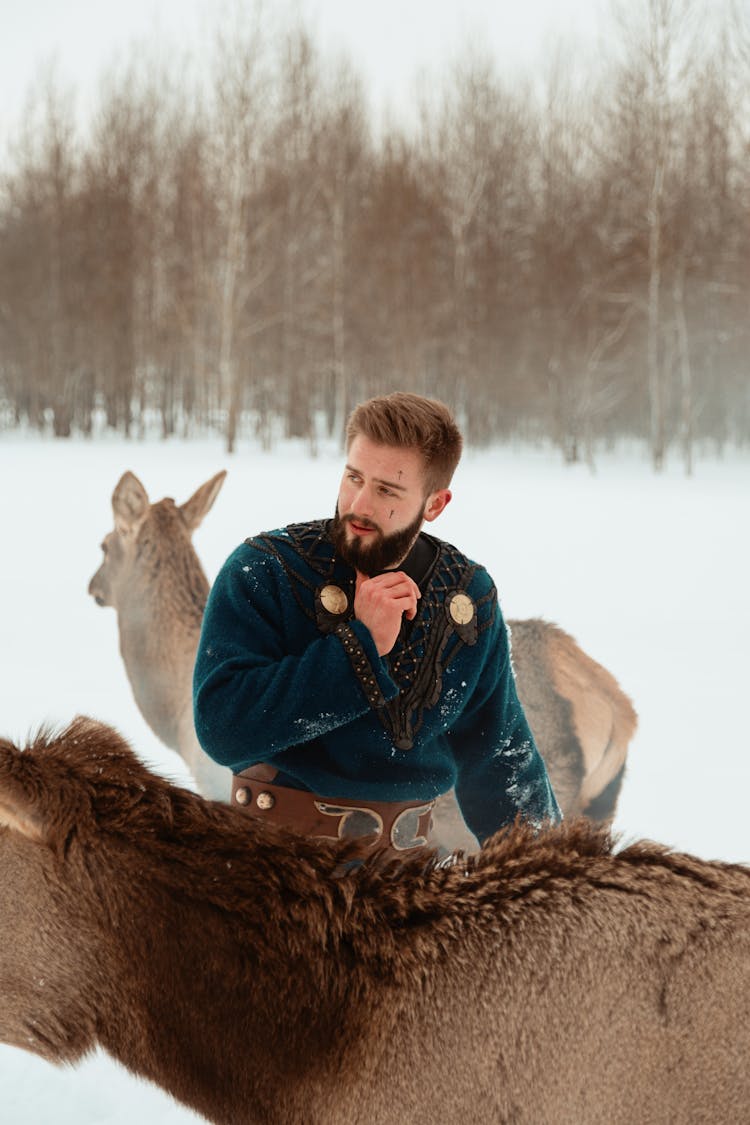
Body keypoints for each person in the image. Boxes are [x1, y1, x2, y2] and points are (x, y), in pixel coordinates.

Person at [193, 392, 560, 862]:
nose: (359, 504)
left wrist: (559, 875)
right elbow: (221, 727)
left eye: (387, 490)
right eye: (353, 478)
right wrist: (357, 650)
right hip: (271, 872)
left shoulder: (467, 597)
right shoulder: (266, 570)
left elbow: (500, 760)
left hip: (409, 884)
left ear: (435, 504)